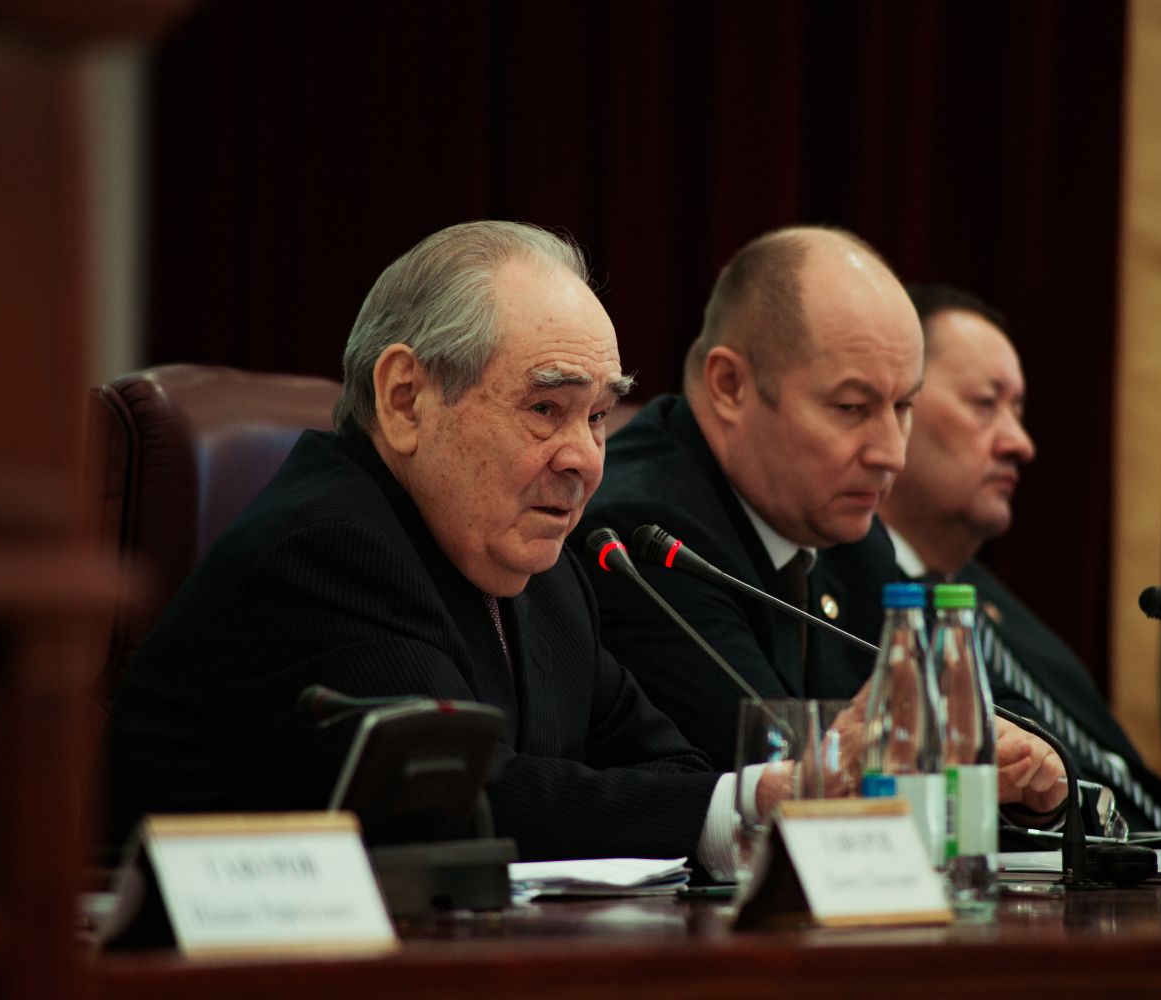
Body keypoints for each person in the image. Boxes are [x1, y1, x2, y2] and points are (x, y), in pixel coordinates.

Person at [105, 222, 735, 867]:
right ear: (405, 400)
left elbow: (671, 769)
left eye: (597, 416)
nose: (586, 459)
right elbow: (460, 804)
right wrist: (733, 806)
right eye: (546, 408)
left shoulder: (549, 576)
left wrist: (717, 805)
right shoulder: (324, 552)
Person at [574, 227, 1066, 817]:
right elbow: (769, 772)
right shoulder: (645, 536)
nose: (891, 453)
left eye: (904, 406)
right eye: (852, 408)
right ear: (730, 386)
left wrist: (1023, 765)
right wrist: (943, 752)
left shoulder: (839, 522)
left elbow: (977, 703)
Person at [877, 284, 1161, 831]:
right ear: (897, 406)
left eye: (1017, 410)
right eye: (985, 404)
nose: (1021, 443)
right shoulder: (848, 603)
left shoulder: (991, 603)